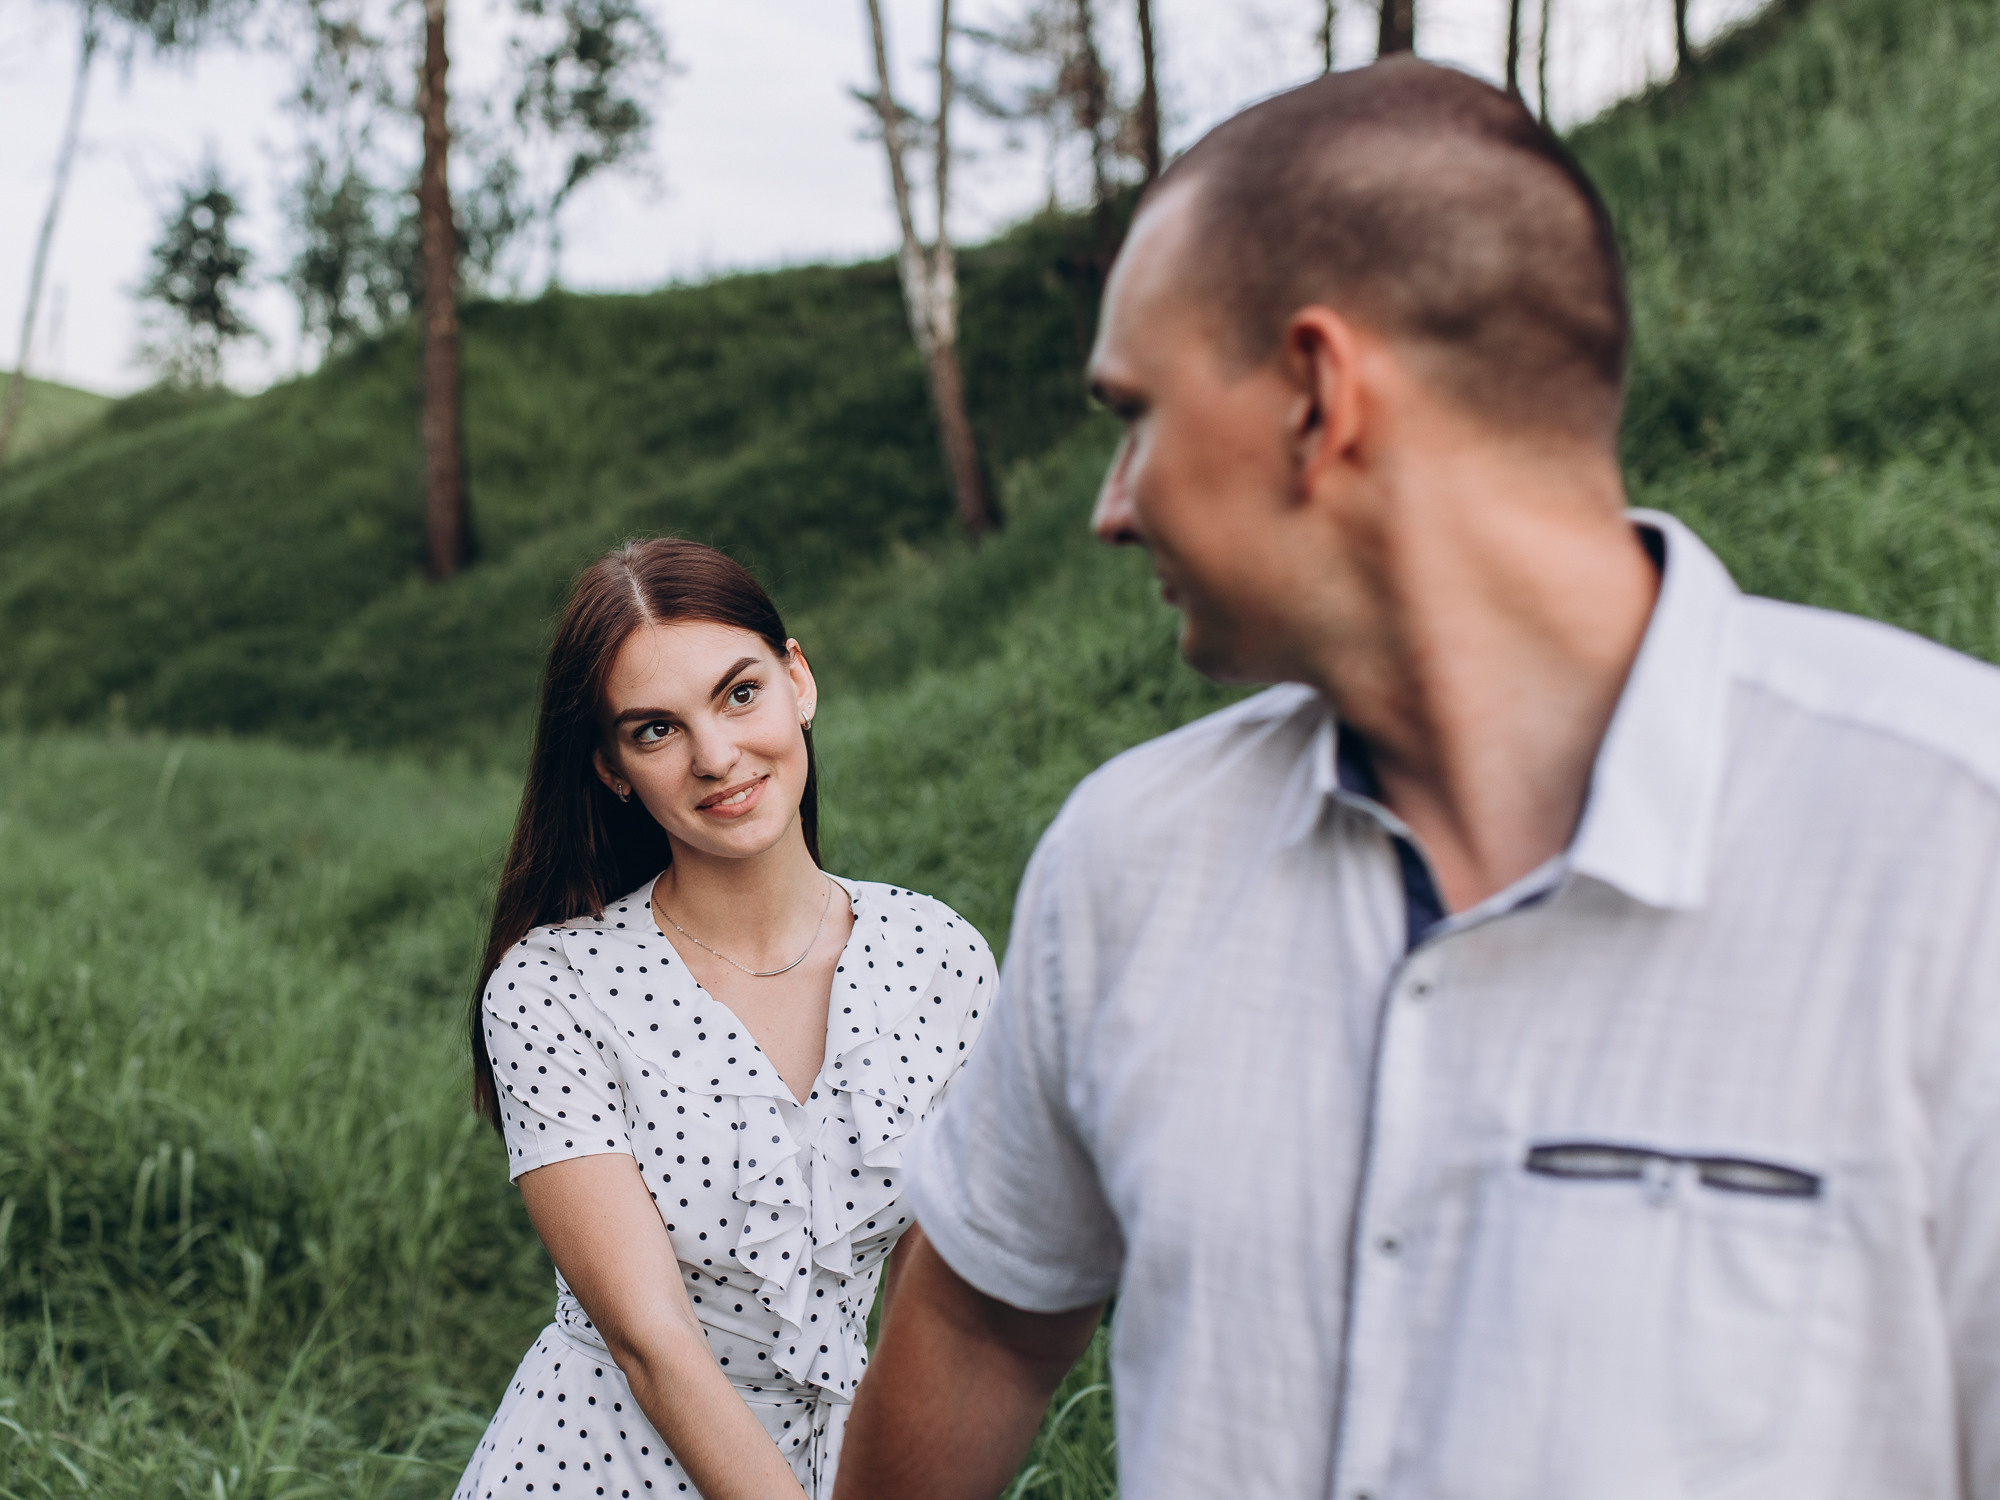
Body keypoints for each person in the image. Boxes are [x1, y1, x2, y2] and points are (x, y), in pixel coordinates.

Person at [834, 56, 2000, 1500]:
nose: (1110, 508)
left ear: (1317, 396)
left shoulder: (1957, 854)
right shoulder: (1127, 858)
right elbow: (982, 1318)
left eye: (1134, 414)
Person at [452, 538, 994, 1500]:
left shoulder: (936, 957)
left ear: (799, 681)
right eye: (656, 730)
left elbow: (933, 1311)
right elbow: (652, 1344)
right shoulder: (552, 987)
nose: (715, 756)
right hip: (599, 1467)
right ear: (614, 768)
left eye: (740, 693)